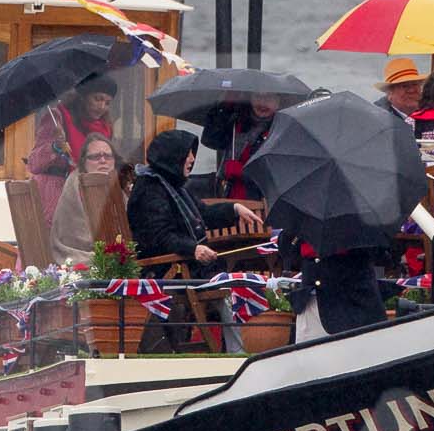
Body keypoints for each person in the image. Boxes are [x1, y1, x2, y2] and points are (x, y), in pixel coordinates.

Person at [127, 129, 265, 350]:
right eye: (187, 154)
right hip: (169, 270)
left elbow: (204, 213)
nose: (192, 159)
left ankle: (240, 351)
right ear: (172, 157)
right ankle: (239, 354)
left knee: (239, 284)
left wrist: (234, 208)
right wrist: (194, 249)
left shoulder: (173, 185)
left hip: (187, 267)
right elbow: (159, 236)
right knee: (232, 289)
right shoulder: (150, 190)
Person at [24, 72, 117, 220]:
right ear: (83, 96)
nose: (102, 106)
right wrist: (55, 147)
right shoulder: (58, 118)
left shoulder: (105, 127)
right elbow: (34, 163)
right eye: (97, 99)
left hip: (89, 198)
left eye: (107, 102)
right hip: (56, 201)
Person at [278, 231, 389, 341]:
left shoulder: (361, 220)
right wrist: (296, 228)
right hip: (312, 302)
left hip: (356, 304)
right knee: (308, 355)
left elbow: (380, 252)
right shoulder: (304, 219)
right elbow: (287, 253)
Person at [47, 136, 117, 265]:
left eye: (108, 156)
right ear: (84, 161)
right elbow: (76, 235)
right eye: (96, 156)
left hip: (112, 254)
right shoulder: (76, 185)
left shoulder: (118, 185)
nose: (103, 160)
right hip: (79, 255)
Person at [373, 57, 424, 128]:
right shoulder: (378, 121)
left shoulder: (432, 114)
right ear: (390, 93)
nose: (411, 90)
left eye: (415, 84)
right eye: (404, 86)